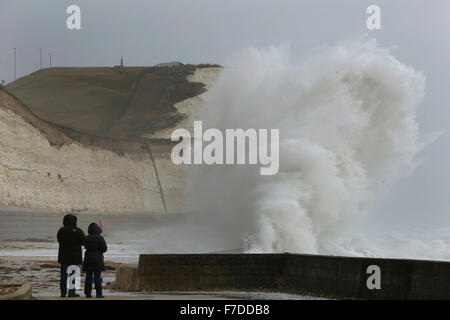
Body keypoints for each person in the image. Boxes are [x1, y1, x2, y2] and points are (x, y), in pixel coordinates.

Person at [57, 214, 86, 298]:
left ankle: (63, 293)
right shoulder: (78, 230)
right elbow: (84, 242)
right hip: (74, 257)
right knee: (73, 275)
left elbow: (59, 240)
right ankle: (71, 292)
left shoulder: (61, 230)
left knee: (63, 275)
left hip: (63, 256)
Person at [83, 222, 107, 298]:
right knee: (97, 277)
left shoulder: (87, 237)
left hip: (88, 258)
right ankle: (99, 294)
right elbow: (104, 249)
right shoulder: (100, 238)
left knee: (88, 277)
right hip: (98, 259)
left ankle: (88, 294)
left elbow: (85, 246)